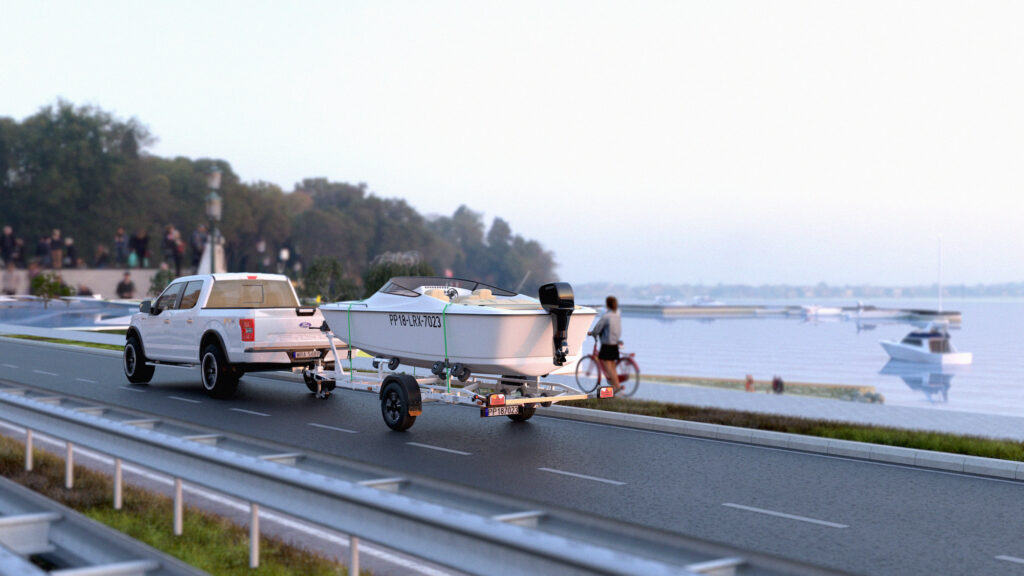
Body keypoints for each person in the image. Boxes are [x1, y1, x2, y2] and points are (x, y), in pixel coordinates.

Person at [588, 295, 623, 392]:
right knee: (612, 367)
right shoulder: (617, 315)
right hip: (614, 344)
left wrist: (592, 333)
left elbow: (598, 328)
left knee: (607, 367)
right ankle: (617, 385)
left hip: (607, 345)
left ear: (607, 304)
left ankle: (616, 387)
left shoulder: (607, 316)